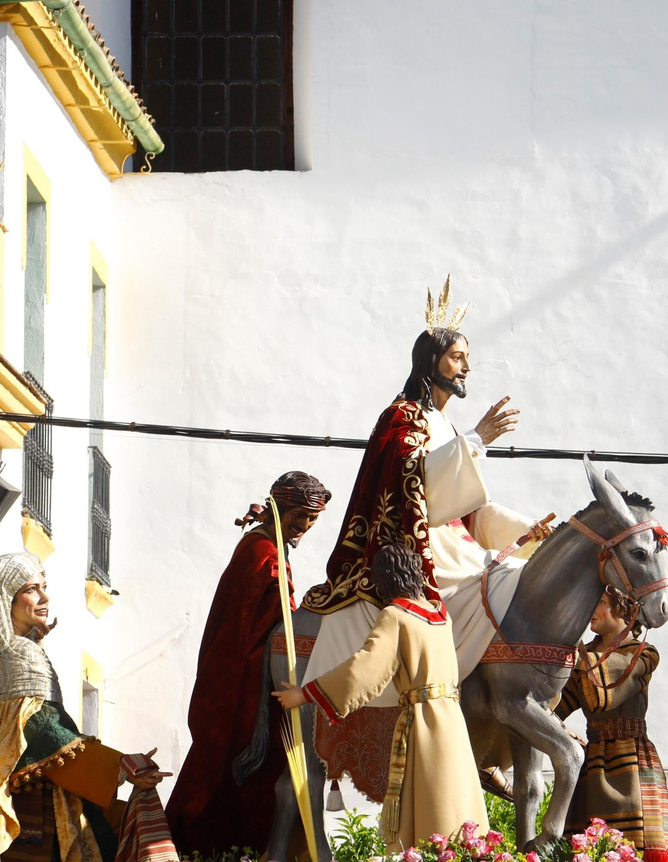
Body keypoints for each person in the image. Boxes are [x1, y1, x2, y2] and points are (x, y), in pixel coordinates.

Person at [302, 282, 552, 801]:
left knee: (512, 578)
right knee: (493, 587)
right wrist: (477, 440)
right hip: (412, 548)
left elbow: (470, 509)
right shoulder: (402, 417)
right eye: (457, 357)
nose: (465, 367)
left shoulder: (441, 423)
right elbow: (412, 482)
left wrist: (526, 532)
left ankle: (486, 735)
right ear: (431, 360)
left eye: (467, 358)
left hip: (452, 542)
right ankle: (474, 726)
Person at [0, 552, 176, 862]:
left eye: (44, 586)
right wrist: (120, 765)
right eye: (30, 589)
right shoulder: (18, 656)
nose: (44, 597)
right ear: (5, 599)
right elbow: (42, 729)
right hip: (30, 806)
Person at [275, 545, 486, 851]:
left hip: (424, 724)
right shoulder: (440, 615)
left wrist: (304, 693)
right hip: (452, 720)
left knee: (432, 805)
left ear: (382, 580)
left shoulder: (396, 616)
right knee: (455, 802)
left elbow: (364, 668)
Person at [164, 471, 330, 857]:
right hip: (243, 686)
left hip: (249, 676)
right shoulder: (262, 554)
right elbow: (268, 625)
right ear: (280, 509)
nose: (304, 527)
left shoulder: (268, 549)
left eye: (312, 520)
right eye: (299, 516)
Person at [554, 590, 668, 862]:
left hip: (632, 764)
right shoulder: (583, 659)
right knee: (589, 846)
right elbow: (555, 706)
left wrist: (574, 650)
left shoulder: (643, 654)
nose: (591, 608)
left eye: (602, 603)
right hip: (593, 764)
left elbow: (605, 693)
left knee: (634, 846)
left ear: (625, 611)